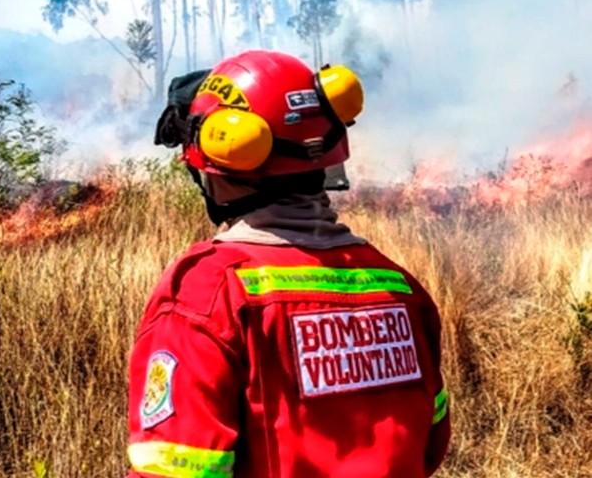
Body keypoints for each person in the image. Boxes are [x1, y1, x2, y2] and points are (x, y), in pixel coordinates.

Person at [127, 50, 450, 478]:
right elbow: (430, 443)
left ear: (221, 158)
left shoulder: (208, 294)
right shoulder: (400, 289)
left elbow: (175, 469)